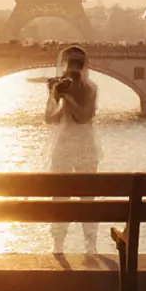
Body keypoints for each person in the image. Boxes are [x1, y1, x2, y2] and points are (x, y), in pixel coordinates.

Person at [46, 45, 101, 255]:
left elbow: (84, 117)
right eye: (72, 64)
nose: (74, 68)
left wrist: (67, 98)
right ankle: (59, 243)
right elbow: (49, 118)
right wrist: (54, 96)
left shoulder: (90, 88)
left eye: (78, 64)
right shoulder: (57, 86)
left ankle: (89, 245)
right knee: (61, 195)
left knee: (86, 195)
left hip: (82, 145)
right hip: (65, 144)